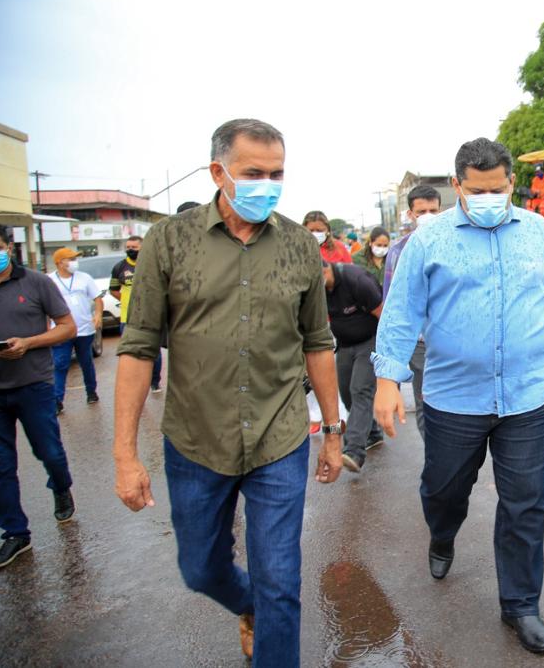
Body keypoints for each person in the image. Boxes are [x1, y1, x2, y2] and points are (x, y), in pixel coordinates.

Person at [373, 138, 544, 654]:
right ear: (457, 186)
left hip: (526, 397)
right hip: (453, 399)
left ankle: (521, 605)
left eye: (497, 189)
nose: (488, 198)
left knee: (526, 503)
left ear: (512, 183)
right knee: (443, 490)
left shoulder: (538, 232)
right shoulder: (429, 240)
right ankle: (442, 532)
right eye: (476, 190)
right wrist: (387, 381)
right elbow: (401, 312)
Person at [113, 118, 345, 666]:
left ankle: (269, 620)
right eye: (253, 173)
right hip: (196, 441)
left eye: (277, 174)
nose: (268, 184)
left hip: (278, 438)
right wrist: (125, 454)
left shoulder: (299, 245)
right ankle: (248, 605)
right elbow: (139, 346)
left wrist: (333, 432)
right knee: (200, 569)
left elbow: (317, 342)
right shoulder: (169, 240)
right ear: (219, 172)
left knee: (280, 581)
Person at [0, 226, 78, 569]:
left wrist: (28, 343)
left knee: (49, 452)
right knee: (1, 465)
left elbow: (67, 327)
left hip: (34, 384)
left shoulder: (36, 283)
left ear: (9, 247)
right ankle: (16, 533)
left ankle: (61, 485)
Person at [381, 184, 442, 439]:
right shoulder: (398, 251)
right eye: (421, 211)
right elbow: (392, 304)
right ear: (410, 214)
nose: (428, 216)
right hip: (420, 342)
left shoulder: (456, 244)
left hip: (451, 339)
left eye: (433, 210)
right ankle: (434, 456)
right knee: (426, 402)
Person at [325, 261, 383, 472]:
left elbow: (384, 315)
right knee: (346, 393)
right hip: (345, 345)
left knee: (360, 390)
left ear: (324, 269)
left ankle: (354, 451)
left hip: (370, 340)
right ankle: (373, 432)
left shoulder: (357, 280)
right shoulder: (318, 290)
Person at [48, 247, 103, 411]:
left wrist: (98, 315)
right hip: (60, 331)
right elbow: (42, 303)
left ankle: (91, 392)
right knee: (60, 364)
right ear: (60, 262)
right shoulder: (49, 280)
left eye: (75, 259)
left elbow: (97, 298)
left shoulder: (84, 278)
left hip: (84, 329)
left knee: (86, 362)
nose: (74, 262)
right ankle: (57, 401)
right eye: (71, 259)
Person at [110, 235, 163, 393]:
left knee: (154, 350)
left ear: (142, 247)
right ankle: (135, 385)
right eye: (128, 247)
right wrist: (128, 300)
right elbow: (113, 290)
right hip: (127, 317)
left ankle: (155, 381)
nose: (130, 250)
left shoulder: (153, 264)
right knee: (130, 352)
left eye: (134, 247)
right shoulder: (119, 267)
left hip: (150, 316)